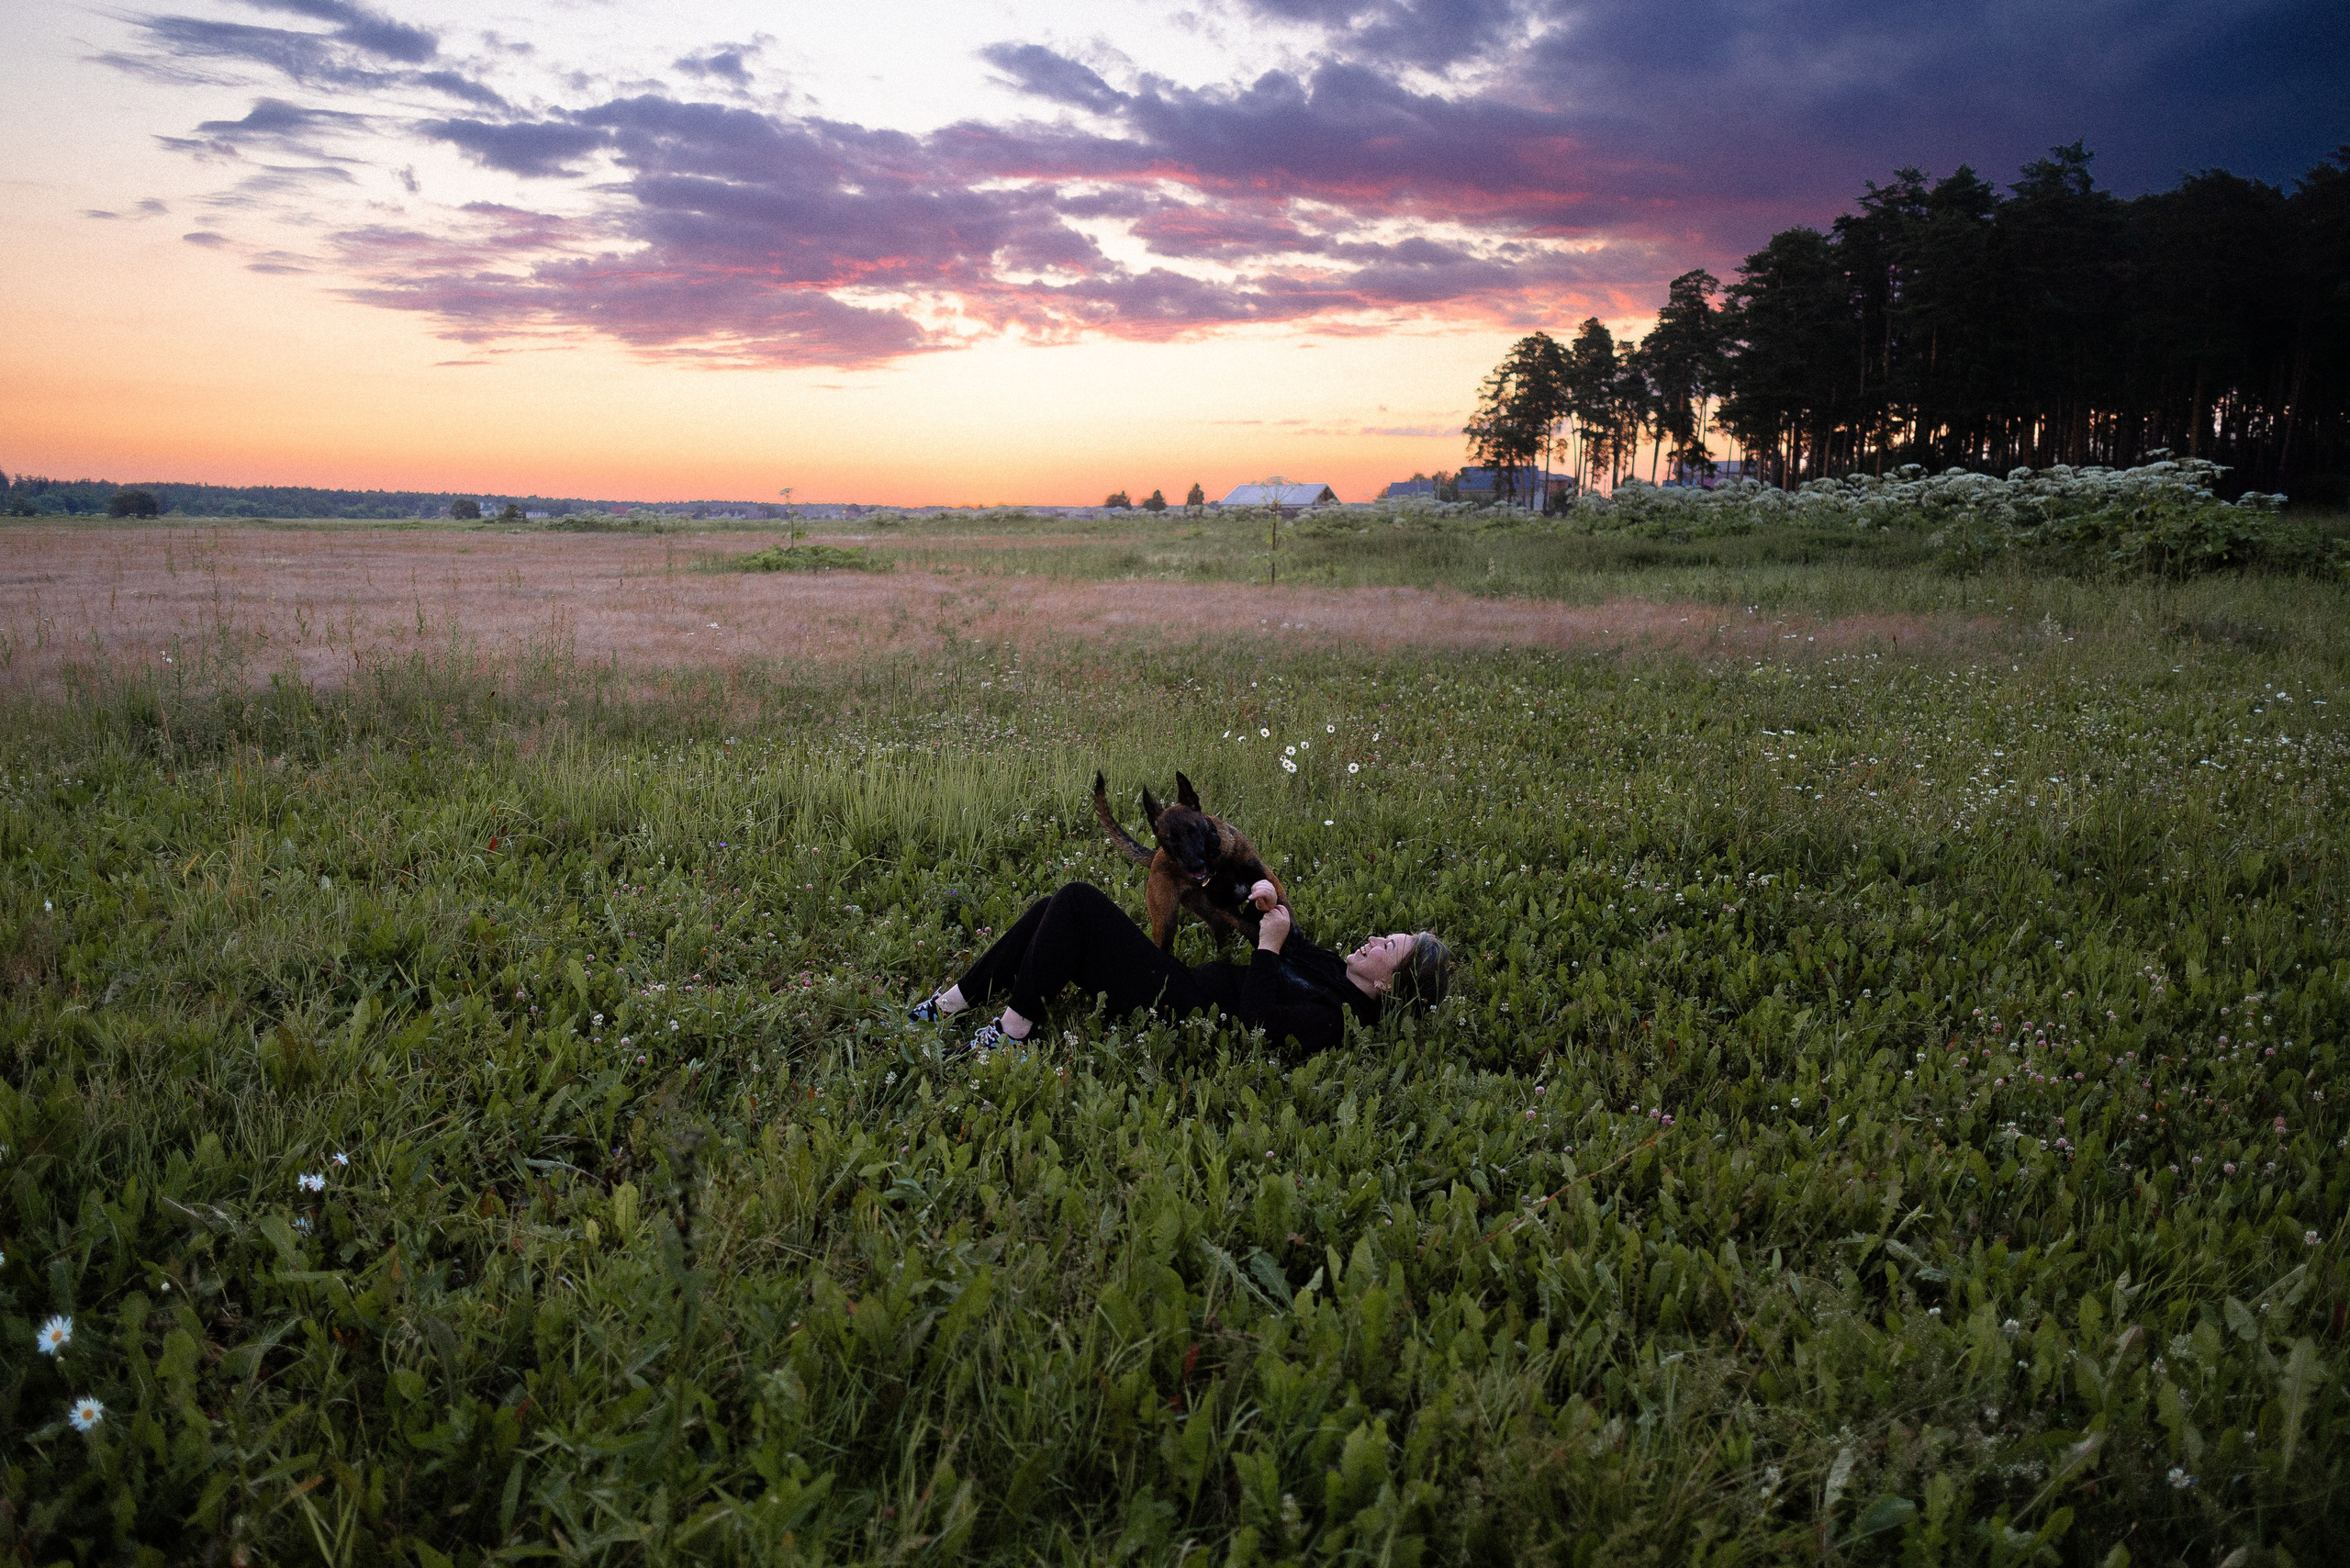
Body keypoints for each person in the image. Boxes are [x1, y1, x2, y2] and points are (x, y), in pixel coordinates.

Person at [910, 879, 1451, 1056]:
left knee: (1076, 902)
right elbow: (1284, 933)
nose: (1377, 938)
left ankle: (1014, 1030)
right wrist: (1261, 898)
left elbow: (1257, 1023)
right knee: (1055, 911)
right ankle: (953, 1002)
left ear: (1388, 982)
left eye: (1392, 945)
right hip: (1178, 984)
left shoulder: (1337, 1020)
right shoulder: (1335, 970)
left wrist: (1266, 949)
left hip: (1177, 1005)